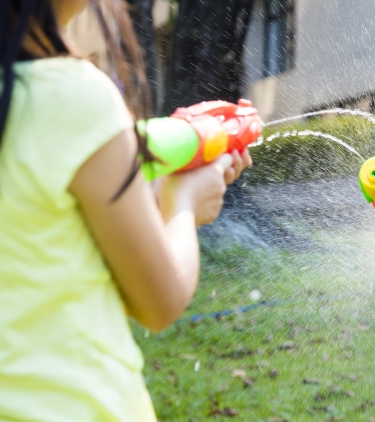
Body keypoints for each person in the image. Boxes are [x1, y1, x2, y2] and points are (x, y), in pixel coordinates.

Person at [0, 0, 251, 420]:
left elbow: (46, 244)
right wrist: (184, 202)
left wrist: (145, 200)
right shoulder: (71, 97)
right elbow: (158, 301)